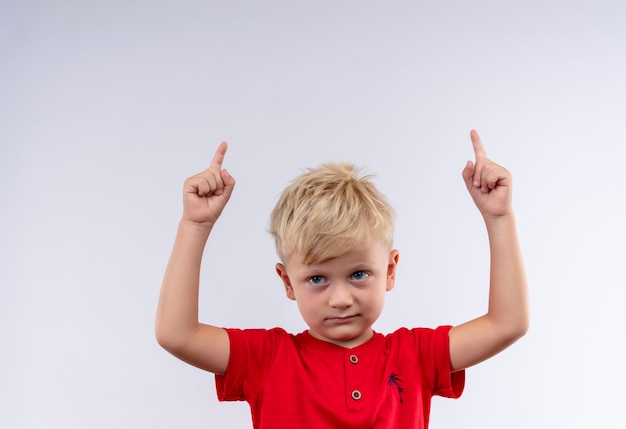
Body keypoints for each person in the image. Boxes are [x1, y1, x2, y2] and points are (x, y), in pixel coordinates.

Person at [155, 130, 529, 428]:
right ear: (288, 283)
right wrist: (195, 224)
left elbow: (506, 324)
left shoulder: (415, 356)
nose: (340, 299)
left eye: (359, 274)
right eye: (317, 279)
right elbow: (177, 334)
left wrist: (499, 219)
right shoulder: (266, 359)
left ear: (391, 271)